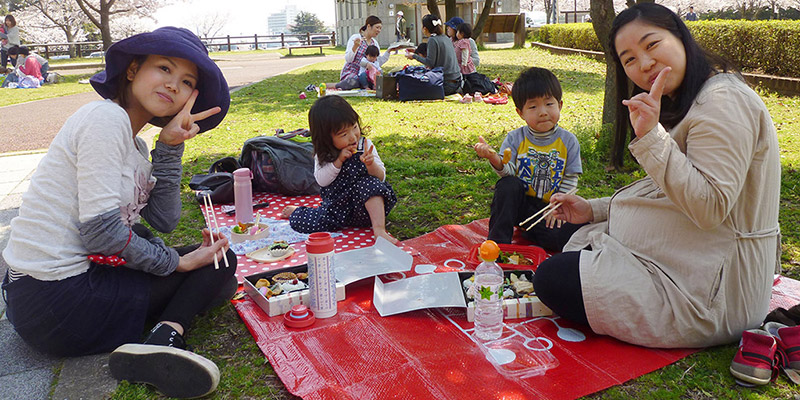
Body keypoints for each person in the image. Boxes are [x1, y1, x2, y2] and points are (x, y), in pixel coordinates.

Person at [1, 27, 236, 398]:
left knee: (217, 263)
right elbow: (102, 234)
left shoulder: (135, 144)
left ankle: (166, 321)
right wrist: (177, 264)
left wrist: (169, 147)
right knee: (212, 268)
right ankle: (166, 337)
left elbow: (165, 220)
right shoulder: (105, 119)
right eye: (164, 68)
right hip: (55, 302)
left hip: (44, 297)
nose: (173, 85)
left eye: (187, 81)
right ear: (132, 70)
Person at [532, 3, 780, 349]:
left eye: (652, 45)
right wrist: (594, 210)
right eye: (630, 59)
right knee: (553, 225)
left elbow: (709, 207)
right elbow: (665, 189)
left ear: (680, 36)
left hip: (710, 290)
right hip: (680, 252)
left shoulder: (723, 102)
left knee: (551, 278)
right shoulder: (692, 97)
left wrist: (652, 138)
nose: (645, 63)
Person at [473, 67, 583, 251]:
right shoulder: (515, 138)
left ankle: (531, 232)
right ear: (520, 112)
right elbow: (508, 173)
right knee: (508, 184)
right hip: (519, 204)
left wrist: (557, 206)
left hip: (548, 209)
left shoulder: (568, 141)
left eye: (549, 104)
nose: (543, 112)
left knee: (563, 240)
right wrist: (493, 157)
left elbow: (571, 180)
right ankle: (497, 245)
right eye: (533, 107)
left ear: (560, 105)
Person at [281, 96, 398, 244]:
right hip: (337, 210)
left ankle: (379, 230)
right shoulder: (324, 154)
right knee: (308, 222)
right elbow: (321, 180)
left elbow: (381, 178)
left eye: (354, 127)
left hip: (366, 209)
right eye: (344, 134)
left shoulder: (365, 145)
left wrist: (371, 165)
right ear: (326, 139)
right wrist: (338, 162)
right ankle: (298, 211)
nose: (352, 137)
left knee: (370, 184)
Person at [405, 14, 461, 95]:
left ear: (425, 29)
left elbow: (430, 63)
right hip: (457, 81)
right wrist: (416, 51)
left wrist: (414, 56)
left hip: (446, 83)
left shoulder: (432, 40)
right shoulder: (445, 38)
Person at [334, 16, 392, 90]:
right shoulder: (356, 38)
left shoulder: (375, 43)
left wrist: (389, 51)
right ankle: (337, 85)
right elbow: (348, 59)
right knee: (354, 82)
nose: (379, 30)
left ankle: (363, 85)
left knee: (376, 82)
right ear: (369, 26)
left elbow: (377, 62)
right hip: (352, 71)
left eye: (380, 28)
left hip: (367, 74)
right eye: (377, 27)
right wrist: (355, 46)